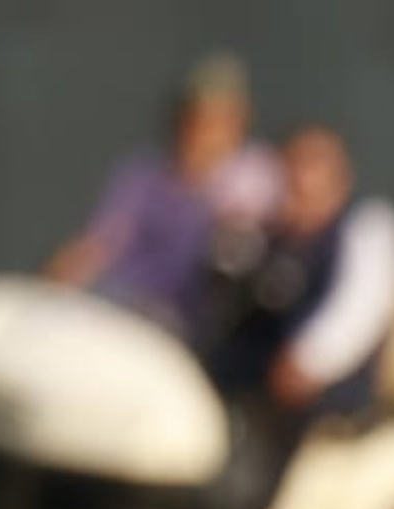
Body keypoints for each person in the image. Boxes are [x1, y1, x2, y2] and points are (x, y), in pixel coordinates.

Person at [45, 53, 280, 340]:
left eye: (217, 121)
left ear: (238, 124)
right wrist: (60, 277)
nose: (204, 133)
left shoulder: (258, 180)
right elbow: (102, 242)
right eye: (195, 119)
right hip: (122, 303)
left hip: (190, 328)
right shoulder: (143, 173)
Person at [212, 124, 394, 433]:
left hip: (323, 399)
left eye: (313, 165)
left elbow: (362, 305)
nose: (300, 177)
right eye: (293, 164)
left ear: (339, 179)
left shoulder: (363, 229)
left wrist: (310, 360)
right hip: (249, 388)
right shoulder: (266, 235)